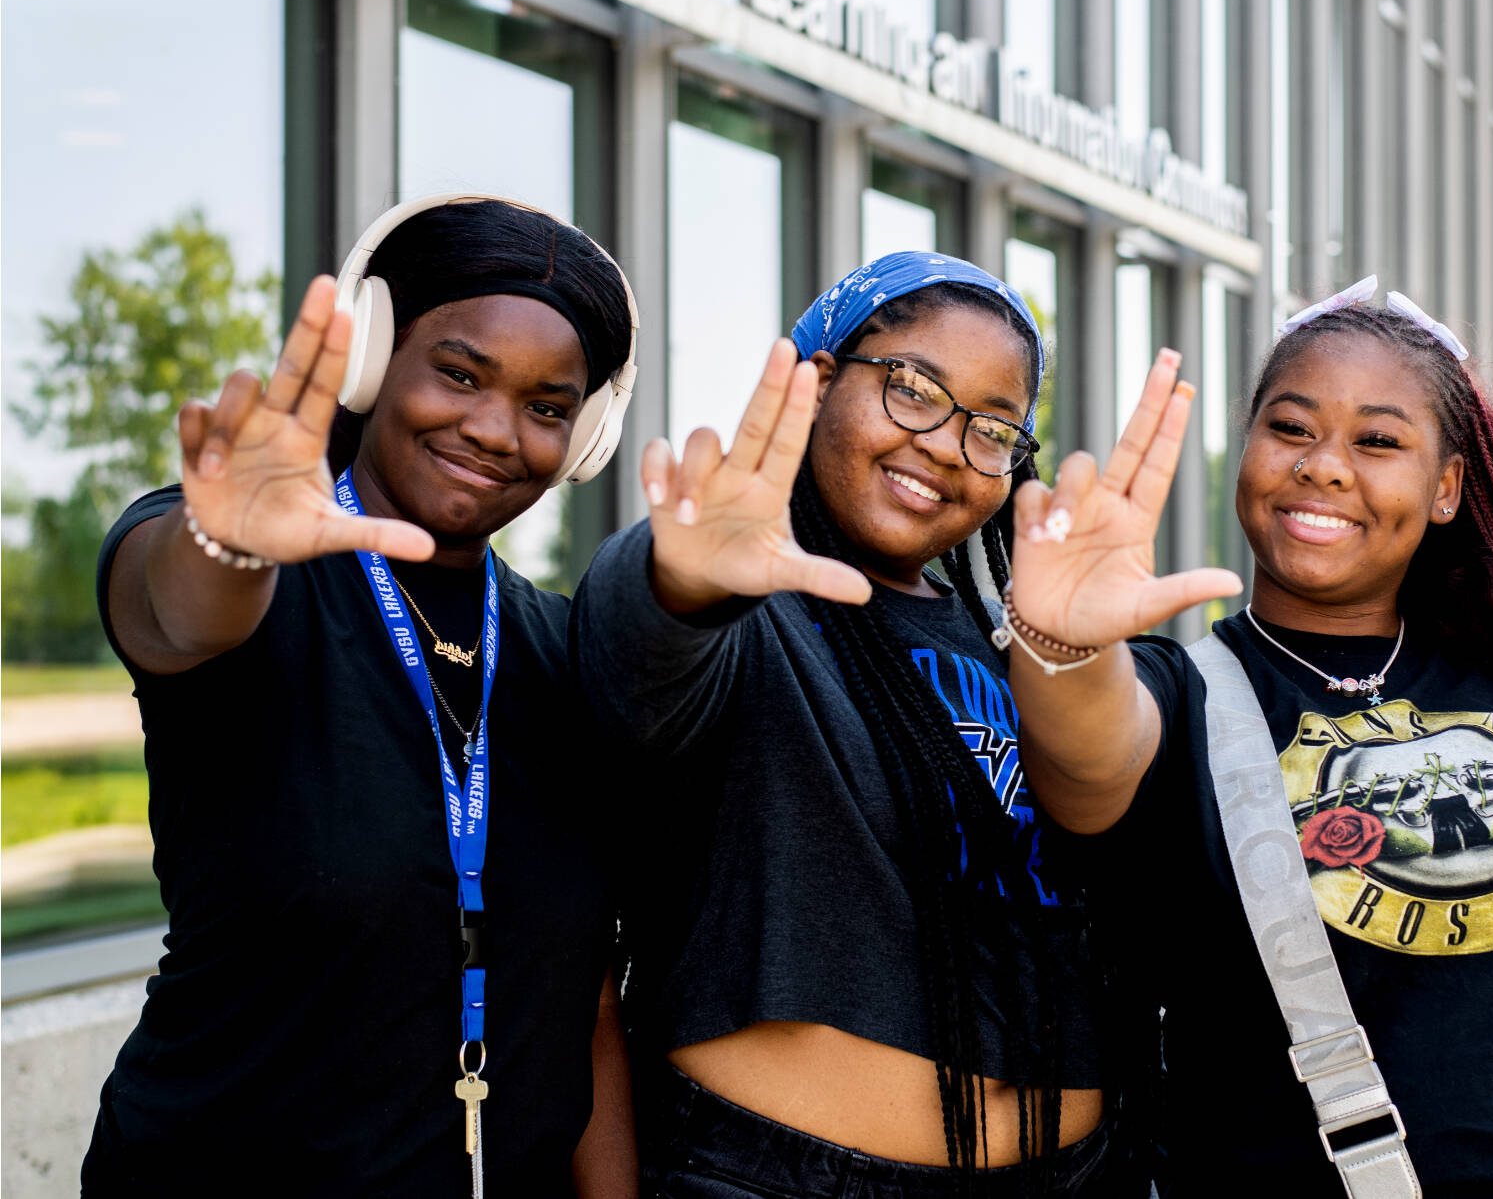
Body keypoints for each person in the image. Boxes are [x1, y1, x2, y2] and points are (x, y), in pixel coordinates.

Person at [1003, 278, 1493, 1196]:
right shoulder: (1187, 698)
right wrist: (1061, 643)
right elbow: (1086, 750)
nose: (1324, 466)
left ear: (1447, 487)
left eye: (1378, 441)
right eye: (1290, 428)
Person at [85, 195, 643, 1198]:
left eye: (547, 406)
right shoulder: (247, 573)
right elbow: (176, 610)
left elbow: (583, 998)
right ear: (372, 359)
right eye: (459, 373)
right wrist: (228, 542)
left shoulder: (564, 651)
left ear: (588, 433)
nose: (492, 429)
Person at [572, 252, 1139, 1197]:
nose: (945, 444)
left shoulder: (1014, 646)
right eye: (914, 389)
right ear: (821, 380)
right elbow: (634, 664)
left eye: (993, 428)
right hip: (784, 1176)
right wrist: (683, 581)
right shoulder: (746, 608)